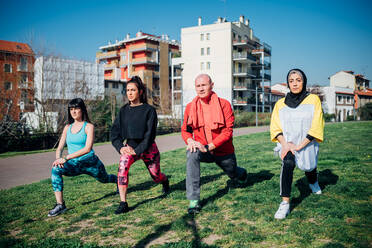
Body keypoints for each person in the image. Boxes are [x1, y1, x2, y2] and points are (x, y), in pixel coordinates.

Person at [181, 74, 248, 214]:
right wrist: (190, 141)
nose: (201, 88)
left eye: (204, 85)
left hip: (222, 151)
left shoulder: (224, 104)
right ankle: (194, 200)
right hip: (201, 149)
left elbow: (227, 132)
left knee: (233, 172)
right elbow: (185, 131)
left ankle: (240, 173)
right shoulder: (190, 107)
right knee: (191, 153)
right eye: (198, 86)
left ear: (212, 85)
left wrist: (209, 147)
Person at [48, 98, 117, 217]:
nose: (73, 112)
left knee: (104, 179)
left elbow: (87, 149)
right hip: (74, 164)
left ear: (82, 110)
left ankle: (117, 180)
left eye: (76, 109)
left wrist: (66, 158)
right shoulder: (67, 128)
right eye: (71, 109)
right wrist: (58, 159)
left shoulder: (89, 126)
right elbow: (59, 148)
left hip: (90, 163)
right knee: (56, 169)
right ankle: (60, 204)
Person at [270, 68, 324, 219]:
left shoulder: (313, 100)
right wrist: (286, 144)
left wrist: (299, 146)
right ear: (288, 83)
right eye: (291, 81)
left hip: (307, 143)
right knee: (287, 163)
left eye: (298, 80)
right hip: (287, 144)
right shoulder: (280, 104)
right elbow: (275, 127)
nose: (294, 84)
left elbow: (316, 126)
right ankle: (285, 204)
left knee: (310, 167)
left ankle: (313, 182)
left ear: (304, 82)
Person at [111, 76, 169, 214]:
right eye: (128, 90)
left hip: (148, 148)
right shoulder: (123, 111)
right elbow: (114, 133)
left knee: (156, 176)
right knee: (122, 167)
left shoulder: (149, 110)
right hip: (129, 147)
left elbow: (150, 136)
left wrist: (137, 151)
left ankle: (165, 181)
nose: (130, 93)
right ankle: (123, 203)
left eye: (133, 90)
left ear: (140, 92)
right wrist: (121, 147)